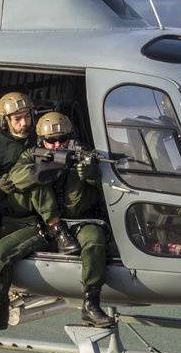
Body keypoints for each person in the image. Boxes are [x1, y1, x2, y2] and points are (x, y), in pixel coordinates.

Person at [0, 94, 80, 332]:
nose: (23, 124)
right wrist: (7, 182)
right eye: (17, 119)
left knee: (35, 177)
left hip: (39, 222)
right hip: (14, 219)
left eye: (26, 117)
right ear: (5, 120)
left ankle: (56, 227)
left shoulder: (40, 136)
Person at [7, 112, 115, 328]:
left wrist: (91, 174)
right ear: (41, 141)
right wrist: (44, 169)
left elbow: (106, 187)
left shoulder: (83, 154)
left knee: (94, 241)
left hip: (82, 221)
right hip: (48, 226)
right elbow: (16, 177)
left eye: (62, 139)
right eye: (51, 141)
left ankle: (91, 303)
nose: (57, 145)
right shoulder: (32, 155)